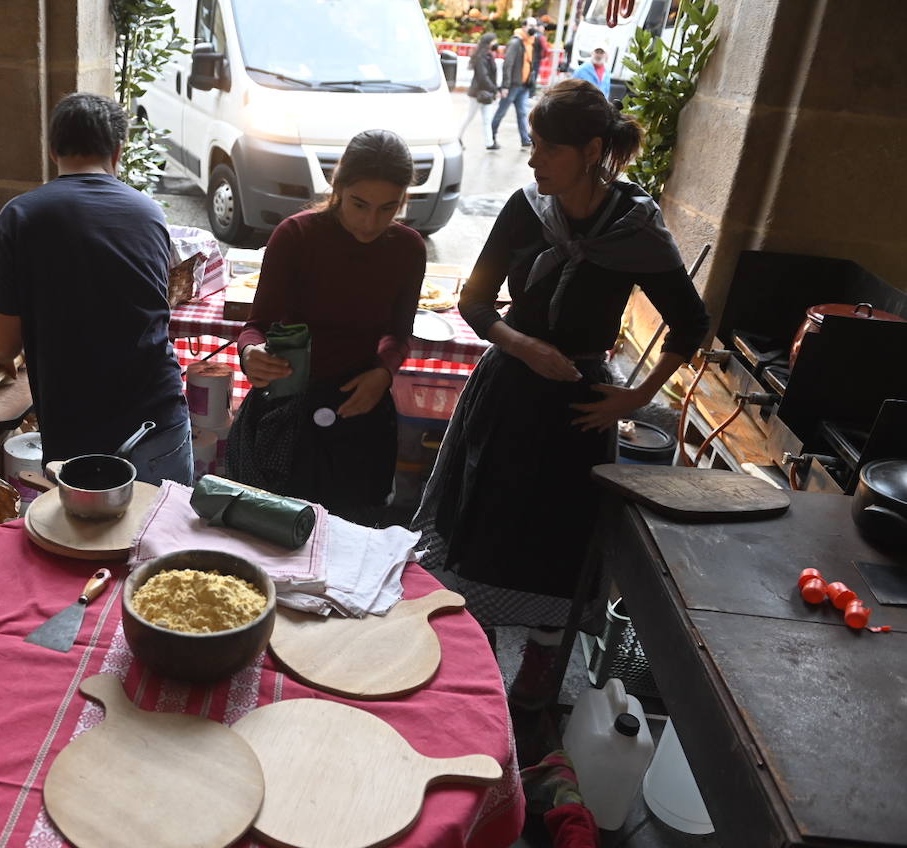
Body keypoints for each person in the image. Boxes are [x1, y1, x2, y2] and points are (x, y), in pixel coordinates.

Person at [415, 80, 709, 710]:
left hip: (578, 409)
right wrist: (522, 346)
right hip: (507, 396)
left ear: (592, 150)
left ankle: (541, 672)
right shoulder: (527, 208)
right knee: (483, 530)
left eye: (547, 149)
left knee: (556, 538)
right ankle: (480, 664)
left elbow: (692, 325)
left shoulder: (635, 226)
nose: (533, 159)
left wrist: (633, 399)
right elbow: (474, 300)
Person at [0, 92, 191, 485]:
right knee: (159, 538)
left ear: (53, 150)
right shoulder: (148, 213)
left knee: (83, 542)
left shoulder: (19, 216)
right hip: (157, 415)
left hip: (78, 426)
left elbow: (1, 346)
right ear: (118, 152)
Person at [228, 129, 425, 524]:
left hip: (359, 404)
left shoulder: (407, 248)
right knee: (270, 527)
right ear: (337, 185)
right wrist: (250, 354)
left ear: (404, 199)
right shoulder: (297, 235)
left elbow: (398, 334)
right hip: (286, 401)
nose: (371, 222)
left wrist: (383, 373)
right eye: (359, 204)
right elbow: (256, 326)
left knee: (350, 530)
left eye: (388, 208)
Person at [490, 26, 533, 151]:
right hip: (513, 85)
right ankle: (491, 136)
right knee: (501, 112)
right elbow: (507, 65)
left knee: (522, 113)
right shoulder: (515, 43)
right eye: (531, 26)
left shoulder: (528, 43)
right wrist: (505, 86)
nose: (533, 29)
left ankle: (525, 139)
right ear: (524, 27)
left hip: (523, 85)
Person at [459, 32, 501, 151]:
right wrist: (494, 89)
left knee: (487, 118)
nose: (496, 44)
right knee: (469, 116)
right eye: (494, 41)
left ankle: (489, 143)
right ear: (488, 43)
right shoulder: (481, 57)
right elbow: (483, 77)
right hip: (478, 92)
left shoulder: (488, 55)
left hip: (486, 93)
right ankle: (457, 137)